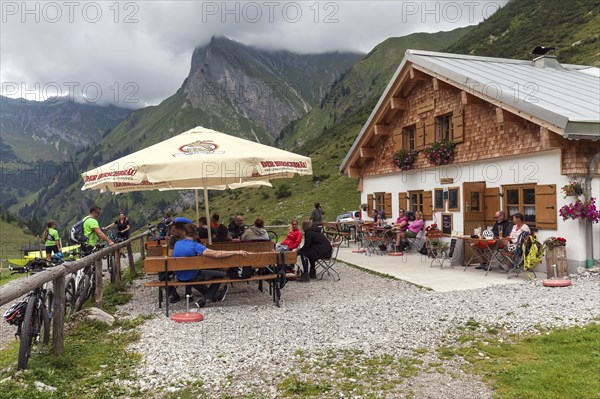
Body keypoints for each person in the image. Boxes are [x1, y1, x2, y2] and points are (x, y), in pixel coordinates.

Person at [172, 222, 248, 308]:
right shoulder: (196, 246)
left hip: (179, 276)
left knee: (200, 276)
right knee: (221, 275)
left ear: (184, 233)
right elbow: (217, 254)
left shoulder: (177, 244)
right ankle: (203, 301)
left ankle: (216, 296)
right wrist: (236, 252)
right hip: (192, 275)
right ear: (195, 234)